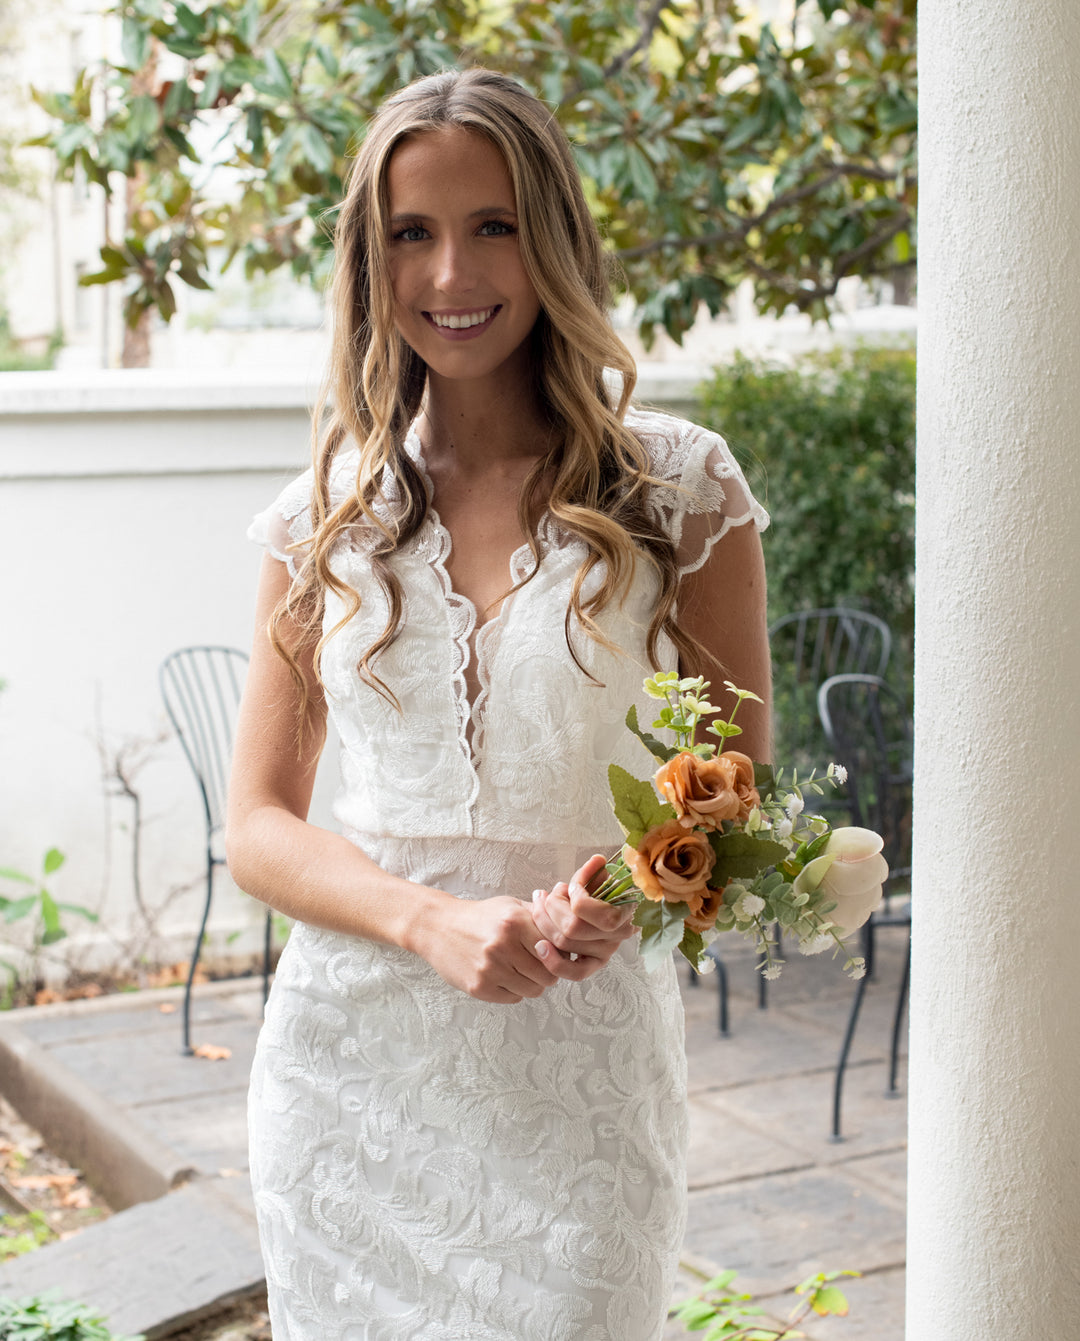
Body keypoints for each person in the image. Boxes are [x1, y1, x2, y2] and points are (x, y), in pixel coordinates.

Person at [226, 66, 770, 1341]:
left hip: (579, 1086)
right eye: (412, 233)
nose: (451, 277)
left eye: (493, 227)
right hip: (349, 1091)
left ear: (555, 240)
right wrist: (424, 921)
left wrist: (629, 892)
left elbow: (737, 785)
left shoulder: (679, 492)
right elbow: (256, 824)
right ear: (372, 258)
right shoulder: (324, 518)